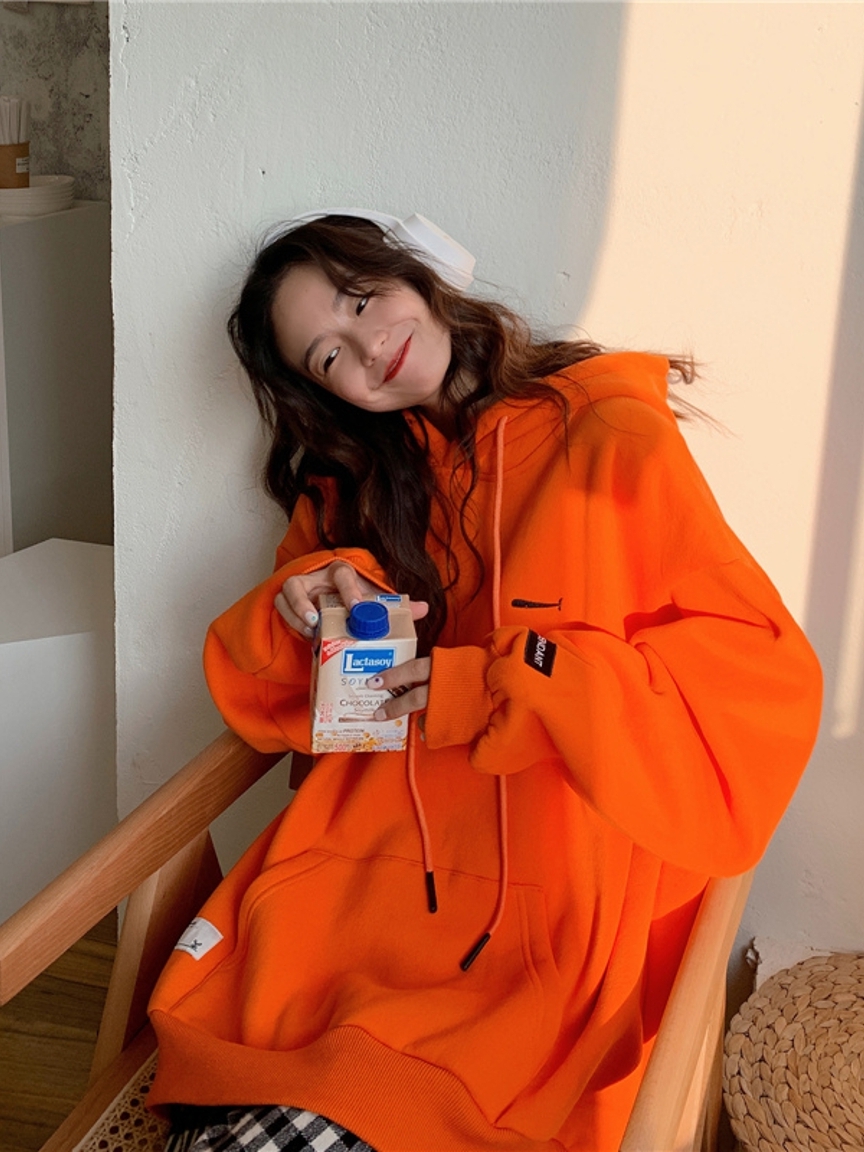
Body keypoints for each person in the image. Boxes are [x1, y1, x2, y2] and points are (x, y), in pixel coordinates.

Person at [148, 212, 822, 1152]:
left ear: (417, 275)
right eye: (327, 356)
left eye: (361, 299)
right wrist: (310, 599)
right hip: (352, 902)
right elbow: (277, 709)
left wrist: (511, 687)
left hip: (539, 930)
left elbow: (756, 677)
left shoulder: (608, 436)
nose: (367, 348)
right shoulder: (352, 491)